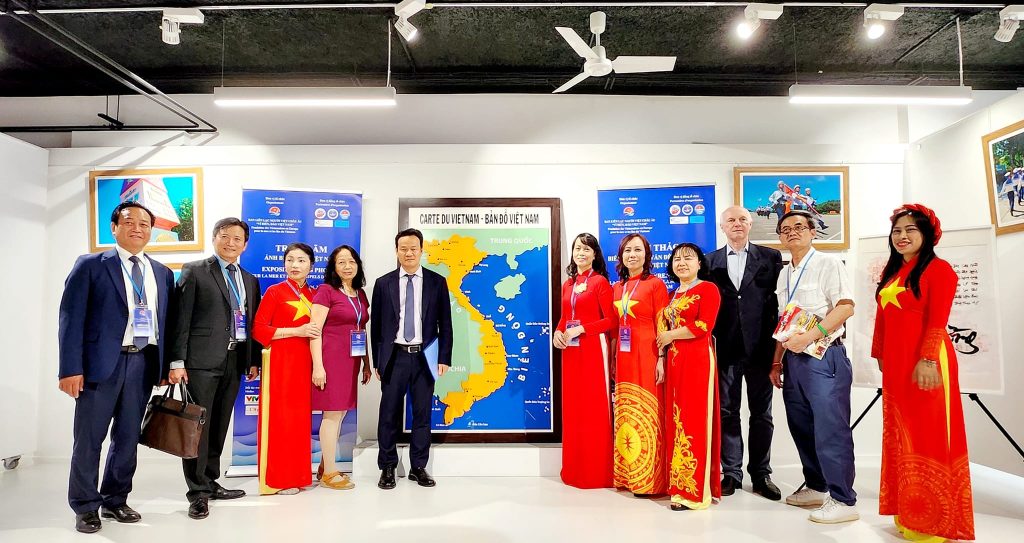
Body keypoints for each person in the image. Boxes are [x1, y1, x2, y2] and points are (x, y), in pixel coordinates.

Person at [58, 202, 175, 533]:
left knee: (127, 438)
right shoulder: (90, 265)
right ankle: (85, 506)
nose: (137, 228)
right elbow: (70, 319)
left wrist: (165, 366)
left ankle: (115, 499)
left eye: (144, 223)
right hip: (99, 367)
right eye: (129, 222)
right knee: (89, 439)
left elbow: (167, 324)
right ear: (114, 227)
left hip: (143, 364)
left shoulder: (162, 273)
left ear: (152, 230)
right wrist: (69, 369)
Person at [872, 204, 974, 542]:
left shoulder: (939, 270)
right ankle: (909, 513)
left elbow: (938, 320)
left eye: (910, 230)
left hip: (925, 362)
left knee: (929, 434)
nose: (901, 236)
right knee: (902, 435)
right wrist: (880, 354)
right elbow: (883, 320)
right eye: (897, 231)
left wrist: (928, 359)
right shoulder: (893, 273)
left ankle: (934, 522)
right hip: (897, 365)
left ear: (927, 235)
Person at [168, 218, 262, 520]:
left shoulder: (249, 279)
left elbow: (251, 323)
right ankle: (197, 493)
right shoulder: (195, 270)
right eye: (225, 236)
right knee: (198, 428)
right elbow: (181, 319)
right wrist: (177, 361)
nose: (231, 243)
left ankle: (210, 481)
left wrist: (252, 360)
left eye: (237, 238)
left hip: (235, 360)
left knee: (219, 424)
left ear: (245, 245)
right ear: (214, 238)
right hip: (200, 363)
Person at [769, 210, 858, 524]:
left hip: (824, 357)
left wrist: (809, 336)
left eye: (799, 227)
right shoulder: (784, 273)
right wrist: (777, 360)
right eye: (785, 229)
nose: (792, 232)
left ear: (812, 231)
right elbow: (785, 319)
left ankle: (844, 500)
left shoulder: (828, 263)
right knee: (802, 426)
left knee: (830, 428)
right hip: (793, 360)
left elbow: (845, 307)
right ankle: (818, 486)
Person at [706, 206, 783, 501]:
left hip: (761, 349)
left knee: (762, 414)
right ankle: (732, 473)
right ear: (722, 227)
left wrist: (778, 353)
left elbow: (778, 303)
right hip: (725, 349)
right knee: (727, 413)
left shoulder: (770, 258)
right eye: (730, 220)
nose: (736, 224)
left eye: (742, 219)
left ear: (751, 224)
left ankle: (761, 474)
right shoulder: (709, 261)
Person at [370, 228, 453, 490]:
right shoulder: (383, 283)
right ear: (396, 251)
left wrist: (444, 357)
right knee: (388, 414)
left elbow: (446, 324)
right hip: (394, 357)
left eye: (413, 248)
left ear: (421, 250)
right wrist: (377, 362)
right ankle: (387, 467)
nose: (408, 253)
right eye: (403, 248)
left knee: (422, 414)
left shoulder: (437, 282)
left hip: (424, 358)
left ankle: (418, 467)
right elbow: (376, 328)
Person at [656, 243, 722, 511]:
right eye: (677, 258)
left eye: (688, 258)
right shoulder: (671, 295)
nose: (682, 263)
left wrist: (671, 335)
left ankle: (694, 493)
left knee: (694, 420)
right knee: (676, 420)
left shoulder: (708, 289)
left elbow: (704, 325)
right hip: (673, 363)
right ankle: (677, 485)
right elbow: (661, 329)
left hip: (697, 361)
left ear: (699, 264)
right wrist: (661, 357)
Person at [252, 242, 319, 495]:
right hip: (281, 363)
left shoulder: (317, 295)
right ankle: (278, 479)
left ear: (311, 265)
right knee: (281, 419)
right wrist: (296, 331)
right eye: (290, 260)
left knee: (300, 421)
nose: (295, 265)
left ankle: (299, 475)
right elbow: (259, 330)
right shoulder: (275, 292)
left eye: (301, 260)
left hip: (307, 363)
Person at [552, 233, 617, 489]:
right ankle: (574, 470)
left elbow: (610, 321)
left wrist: (582, 329)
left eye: (586, 249)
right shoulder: (568, 284)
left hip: (593, 349)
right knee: (573, 409)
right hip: (571, 351)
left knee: (594, 408)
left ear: (594, 255)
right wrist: (558, 332)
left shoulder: (600, 282)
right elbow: (564, 316)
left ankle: (597, 472)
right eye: (578, 248)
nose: (581, 253)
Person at [610, 233, 669, 497]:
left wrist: (661, 358)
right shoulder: (617, 287)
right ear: (621, 256)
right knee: (626, 412)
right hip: (624, 358)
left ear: (647, 255)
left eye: (637, 250)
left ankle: (650, 481)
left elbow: (662, 323)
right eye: (627, 250)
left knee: (649, 412)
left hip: (647, 355)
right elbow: (615, 329)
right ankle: (627, 475)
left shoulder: (655, 284)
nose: (632, 255)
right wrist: (612, 359)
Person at [310, 245, 371, 490]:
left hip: (352, 361)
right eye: (341, 262)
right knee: (332, 414)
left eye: (351, 261)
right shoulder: (326, 291)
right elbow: (314, 331)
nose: (347, 266)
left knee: (341, 414)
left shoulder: (360, 294)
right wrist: (318, 366)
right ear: (334, 267)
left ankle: (325, 465)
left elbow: (361, 329)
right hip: (331, 361)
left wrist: (366, 363)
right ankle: (330, 473)